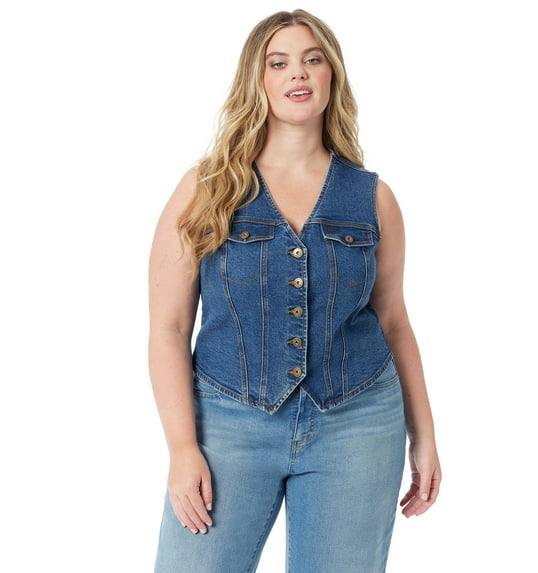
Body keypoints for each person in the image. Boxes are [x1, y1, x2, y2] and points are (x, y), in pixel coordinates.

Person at [149, 9, 441, 572]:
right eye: (278, 63)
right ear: (256, 81)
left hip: (357, 423)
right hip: (226, 423)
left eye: (312, 59)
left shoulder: (373, 198)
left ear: (332, 74)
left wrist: (422, 434)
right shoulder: (207, 187)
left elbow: (394, 321)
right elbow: (169, 328)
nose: (297, 73)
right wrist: (182, 448)